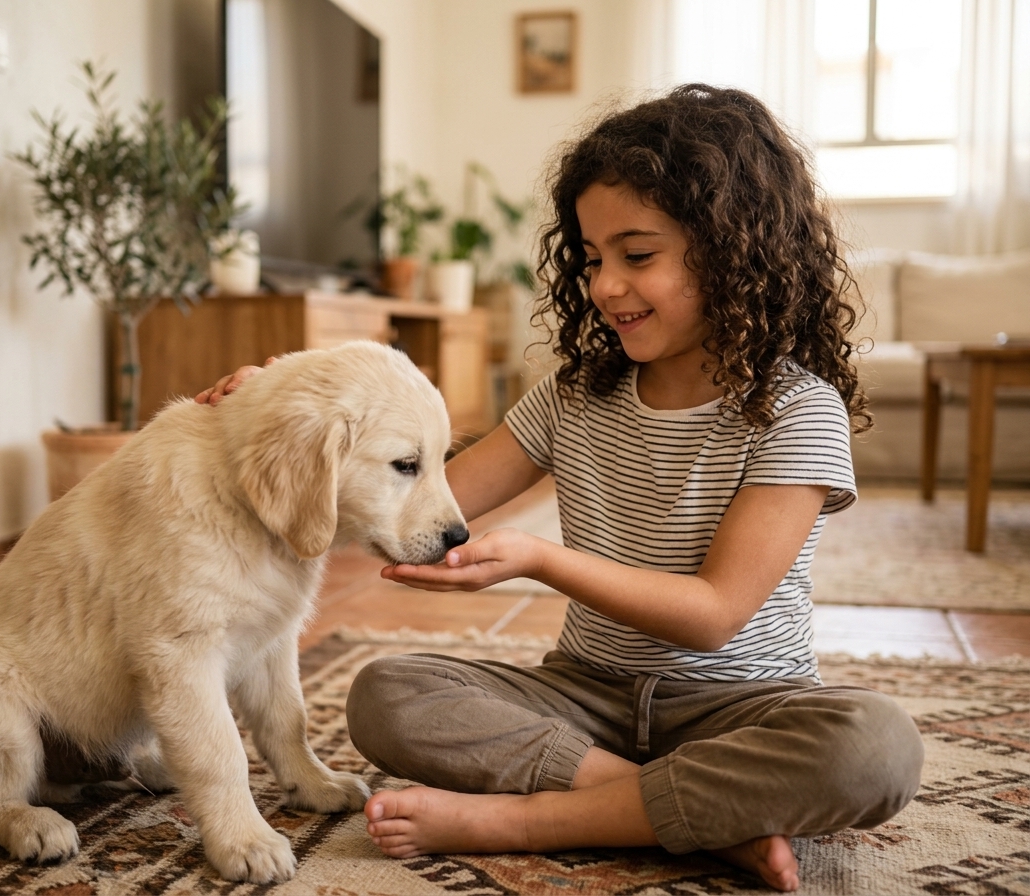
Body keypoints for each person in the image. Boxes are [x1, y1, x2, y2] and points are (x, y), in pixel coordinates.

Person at [196, 84, 924, 893]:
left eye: (636, 256)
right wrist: (286, 413)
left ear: (732, 250)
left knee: (874, 746)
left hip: (742, 707)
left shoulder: (800, 410)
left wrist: (542, 560)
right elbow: (413, 496)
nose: (606, 285)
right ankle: (697, 816)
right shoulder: (574, 396)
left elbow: (715, 614)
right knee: (385, 695)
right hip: (587, 700)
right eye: (593, 258)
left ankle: (532, 819)